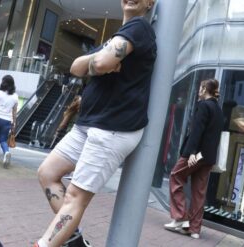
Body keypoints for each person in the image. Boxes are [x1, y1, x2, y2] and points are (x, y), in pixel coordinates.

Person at [34, 0, 156, 246]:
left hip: (111, 129)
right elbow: (76, 67)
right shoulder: (116, 38)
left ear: (149, 3)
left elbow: (97, 64)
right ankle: (75, 239)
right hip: (87, 125)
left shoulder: (139, 28)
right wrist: (100, 62)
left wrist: (98, 63)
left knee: (75, 196)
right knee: (47, 173)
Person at [164, 79, 224, 239]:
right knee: (199, 192)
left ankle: (180, 217)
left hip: (196, 154)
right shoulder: (218, 109)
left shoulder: (204, 105)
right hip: (208, 157)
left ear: (205, 89)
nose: (198, 91)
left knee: (175, 176)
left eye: (200, 88)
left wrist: (191, 153)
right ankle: (194, 229)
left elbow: (198, 130)